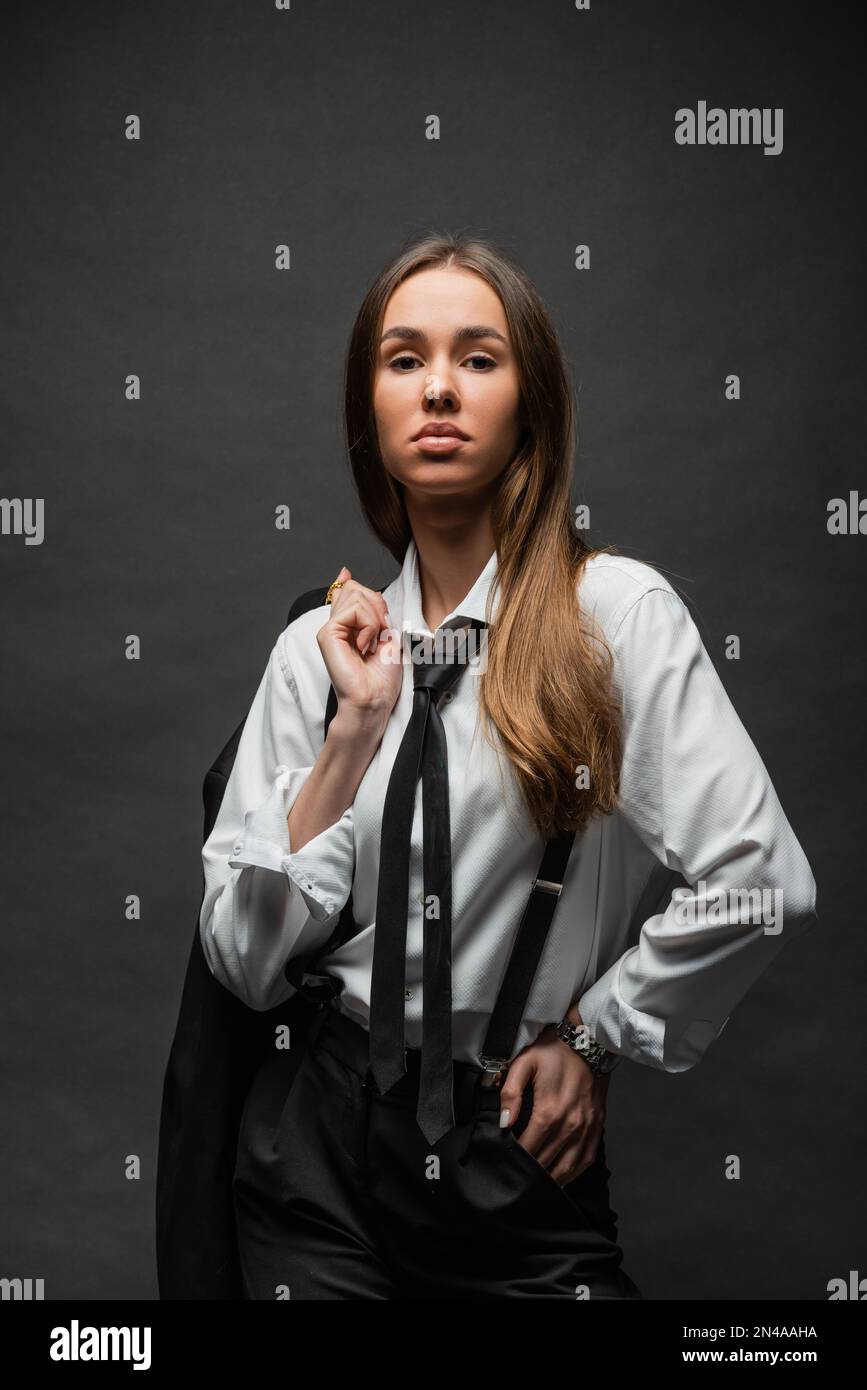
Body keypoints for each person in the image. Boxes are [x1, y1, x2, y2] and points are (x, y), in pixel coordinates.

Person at [197, 233, 818, 1300]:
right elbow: (249, 968)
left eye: (479, 358)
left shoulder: (615, 617)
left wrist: (595, 1034)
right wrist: (352, 736)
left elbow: (764, 880)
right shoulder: (318, 652)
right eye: (404, 360)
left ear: (533, 402)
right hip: (316, 1150)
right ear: (371, 411)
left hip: (516, 1156)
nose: (439, 386)